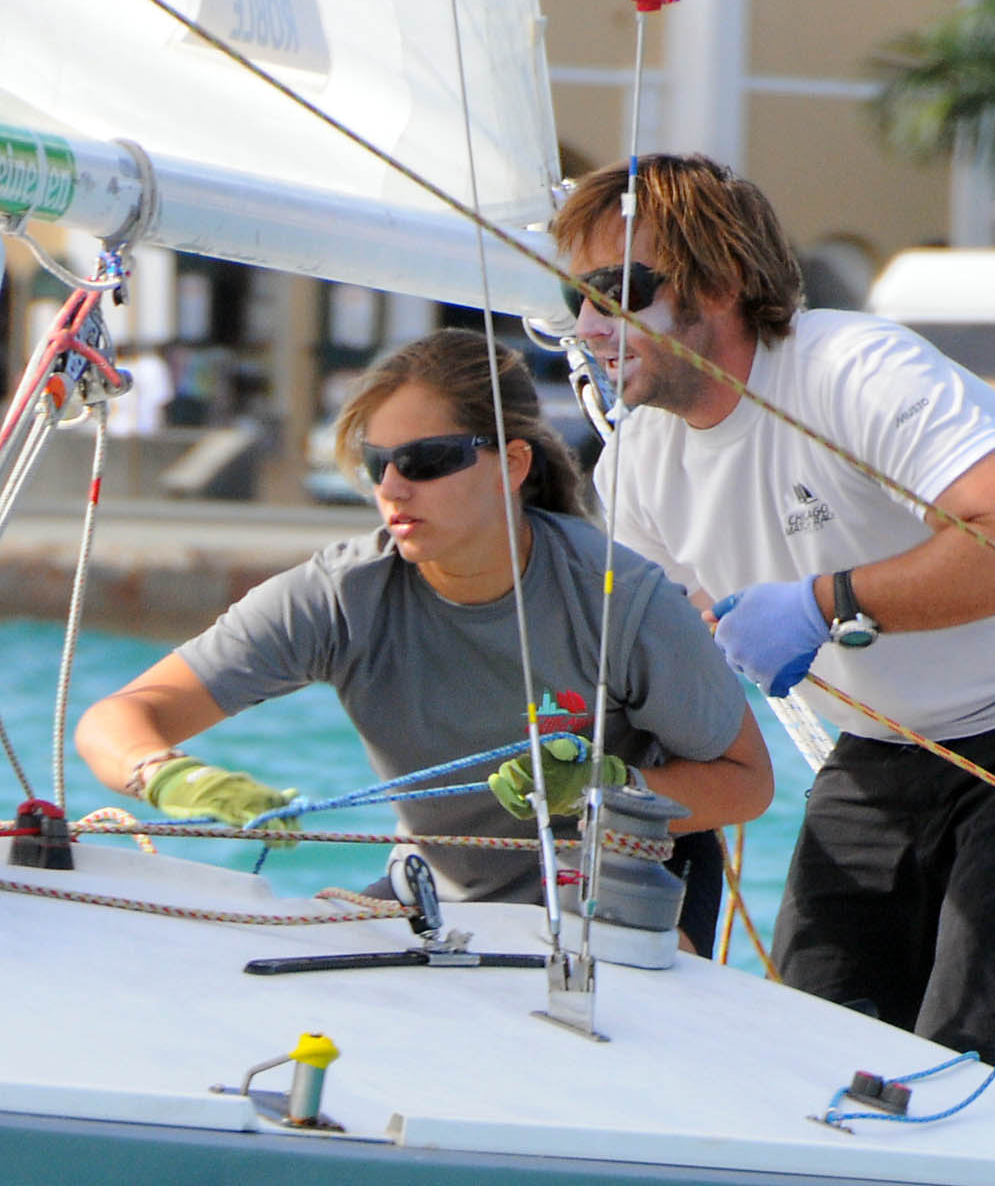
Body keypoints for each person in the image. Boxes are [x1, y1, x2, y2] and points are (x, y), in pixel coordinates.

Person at [549, 153, 995, 1097]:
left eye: (616, 291)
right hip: (885, 741)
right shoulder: (631, 473)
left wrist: (819, 603)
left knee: (981, 1061)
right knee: (813, 1047)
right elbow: (663, 683)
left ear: (719, 283)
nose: (591, 326)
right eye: (575, 299)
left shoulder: (854, 370)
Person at [75, 329, 773, 949]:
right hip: (439, 898)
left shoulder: (620, 595)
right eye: (376, 462)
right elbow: (118, 719)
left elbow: (748, 782)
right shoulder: (343, 595)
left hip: (621, 897)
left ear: (512, 465)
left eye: (427, 459)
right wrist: (167, 775)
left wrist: (603, 785)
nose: (393, 487)